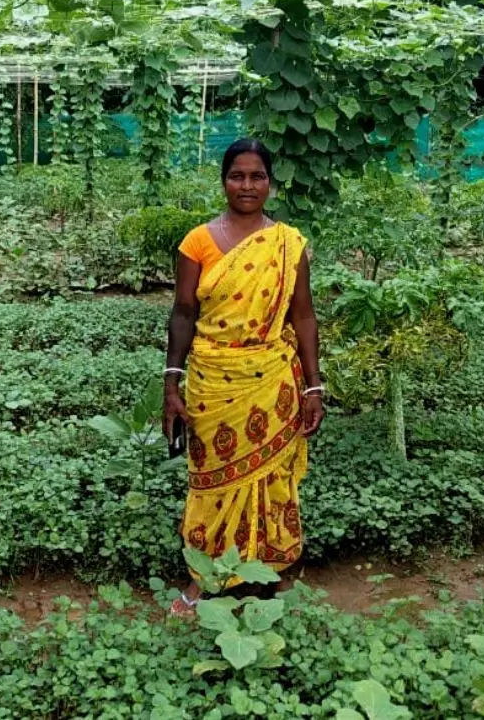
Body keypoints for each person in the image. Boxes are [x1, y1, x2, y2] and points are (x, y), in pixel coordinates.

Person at [162, 138, 324, 616]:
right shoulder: (198, 242)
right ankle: (204, 580)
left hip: (273, 378)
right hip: (214, 380)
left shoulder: (288, 245)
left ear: (270, 184)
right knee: (210, 482)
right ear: (223, 181)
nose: (247, 185)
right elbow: (183, 313)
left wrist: (314, 385)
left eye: (257, 176)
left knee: (271, 481)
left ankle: (267, 572)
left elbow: (305, 316)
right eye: (237, 176)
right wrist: (171, 384)